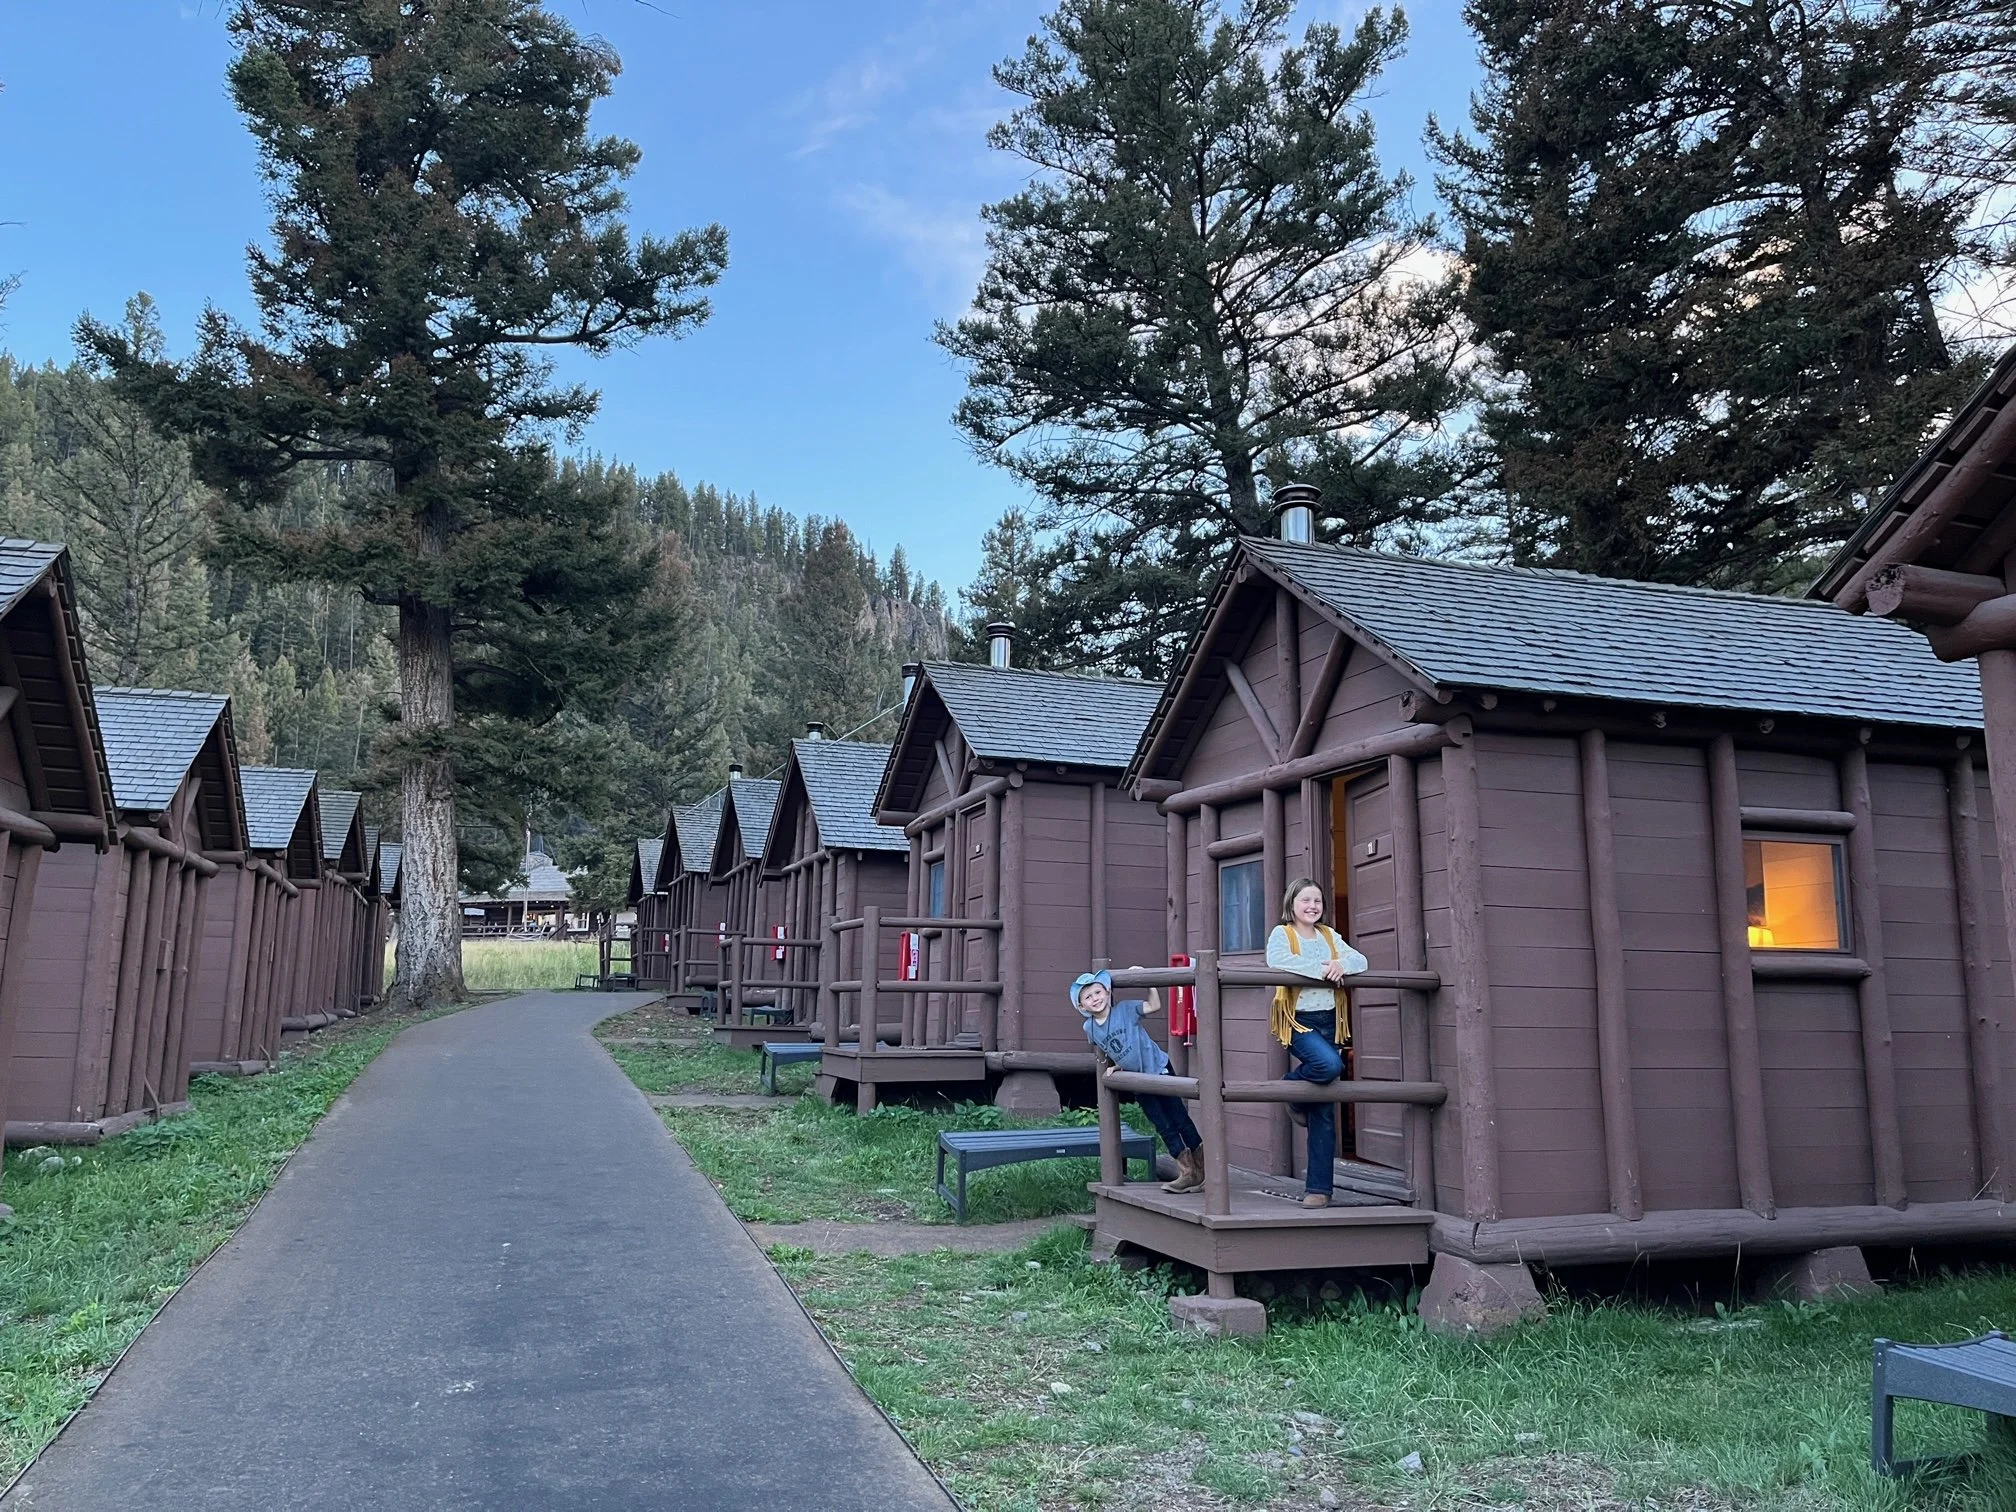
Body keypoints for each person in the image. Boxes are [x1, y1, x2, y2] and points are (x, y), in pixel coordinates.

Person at [1267, 878, 1368, 1208]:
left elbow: (1360, 961)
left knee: (1324, 1107)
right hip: (1297, 1021)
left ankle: (1319, 1190)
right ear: (1292, 904)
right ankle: (1290, 1089)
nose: (1312, 906)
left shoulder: (1328, 935)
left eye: (1318, 902)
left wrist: (1341, 964)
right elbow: (1278, 961)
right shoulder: (1283, 933)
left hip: (1329, 1021)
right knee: (1329, 1066)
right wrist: (1324, 970)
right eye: (1306, 900)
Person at [1072, 969, 1205, 1193]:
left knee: (1179, 1118)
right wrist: (1118, 1064)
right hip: (1136, 1080)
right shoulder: (1090, 1028)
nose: (1095, 999)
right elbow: (1109, 1048)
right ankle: (1187, 1171)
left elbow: (1153, 1006)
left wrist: (1147, 982)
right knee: (1163, 1124)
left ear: (1108, 992)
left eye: (1098, 992)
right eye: (1088, 997)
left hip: (1158, 1069)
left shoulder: (1125, 1010)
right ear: (1082, 1006)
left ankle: (1203, 1165)